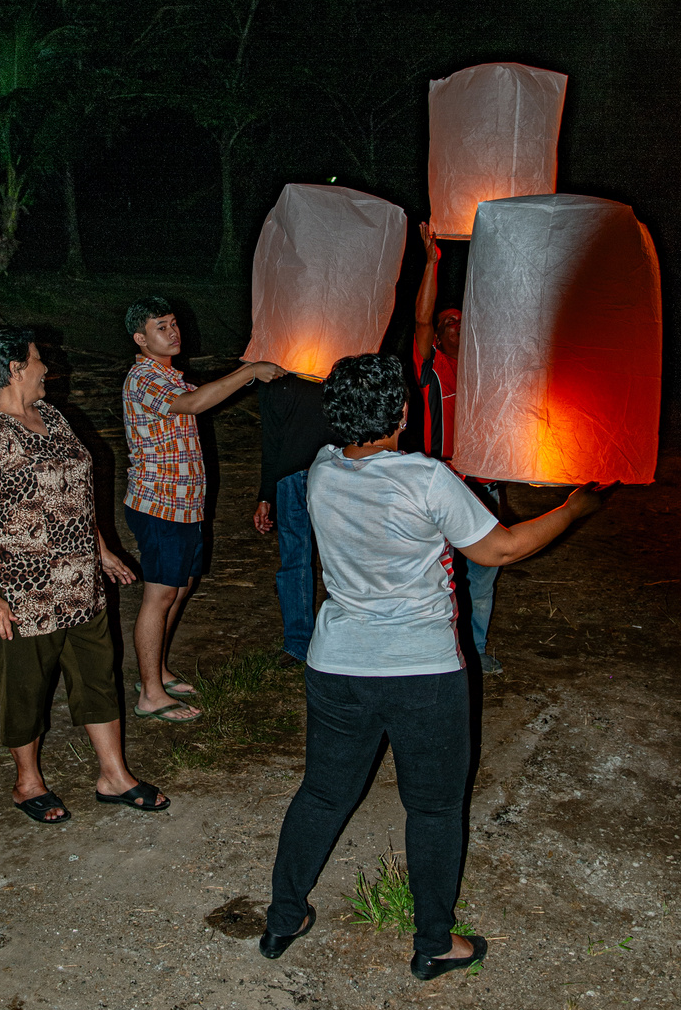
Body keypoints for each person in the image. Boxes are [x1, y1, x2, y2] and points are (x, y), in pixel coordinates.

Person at [260, 353, 606, 978]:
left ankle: (283, 917)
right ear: (400, 412)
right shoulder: (424, 479)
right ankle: (435, 943)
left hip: (338, 664)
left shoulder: (322, 471)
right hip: (421, 671)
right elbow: (499, 548)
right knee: (435, 809)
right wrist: (573, 510)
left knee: (322, 793)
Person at [0, 326, 169, 824]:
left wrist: (101, 551)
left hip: (81, 584)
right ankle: (26, 781)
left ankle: (113, 775)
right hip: (24, 592)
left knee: (98, 676)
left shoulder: (52, 417)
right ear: (14, 369)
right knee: (27, 688)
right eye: (37, 361)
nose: (45, 370)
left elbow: (75, 494)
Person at [123, 296, 286, 721]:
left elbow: (204, 395)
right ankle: (150, 695)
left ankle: (153, 672)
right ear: (141, 339)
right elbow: (195, 405)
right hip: (159, 506)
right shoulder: (143, 378)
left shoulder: (170, 377)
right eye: (162, 326)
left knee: (180, 588)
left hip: (185, 507)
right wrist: (250, 371)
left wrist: (250, 376)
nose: (173, 332)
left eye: (174, 323)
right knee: (159, 595)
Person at [413, 221, 502, 674]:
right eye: (450, 324)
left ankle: (478, 650)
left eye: (462, 323)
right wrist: (432, 264)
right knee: (442, 576)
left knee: (483, 575)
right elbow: (422, 320)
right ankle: (445, 651)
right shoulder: (433, 369)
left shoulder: (488, 372)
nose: (455, 329)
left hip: (484, 485)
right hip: (445, 479)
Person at [253, 375, 342, 665]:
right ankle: (297, 643)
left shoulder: (334, 359)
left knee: (340, 557)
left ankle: (341, 637)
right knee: (294, 561)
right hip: (290, 478)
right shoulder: (271, 377)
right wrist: (266, 495)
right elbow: (270, 435)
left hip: (336, 472)